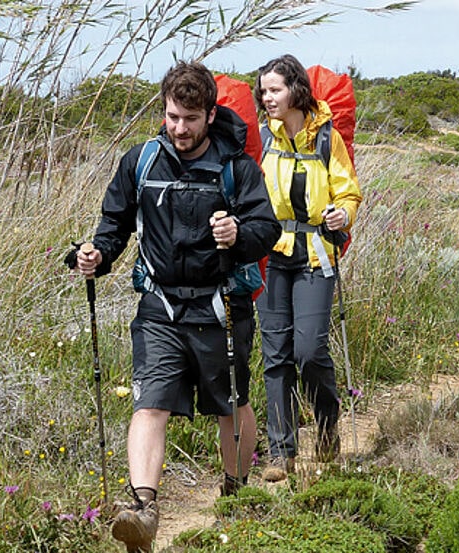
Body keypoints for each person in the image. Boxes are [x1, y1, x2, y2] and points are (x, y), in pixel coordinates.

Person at [71, 61, 279, 553]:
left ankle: (235, 494)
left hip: (221, 305)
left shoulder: (237, 169)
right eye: (172, 117)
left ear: (210, 115)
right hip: (159, 306)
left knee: (232, 404)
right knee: (150, 402)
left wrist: (238, 233)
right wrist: (97, 255)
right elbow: (114, 224)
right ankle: (143, 512)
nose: (179, 128)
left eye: (190, 119)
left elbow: (267, 229)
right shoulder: (141, 161)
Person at [252, 54, 363, 483]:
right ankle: (281, 452)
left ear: (295, 91)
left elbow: (348, 192)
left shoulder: (326, 138)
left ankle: (326, 426)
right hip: (271, 256)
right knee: (275, 354)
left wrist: (343, 214)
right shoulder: (263, 137)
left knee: (309, 350)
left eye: (275, 90)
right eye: (263, 91)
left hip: (316, 254)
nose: (267, 98)